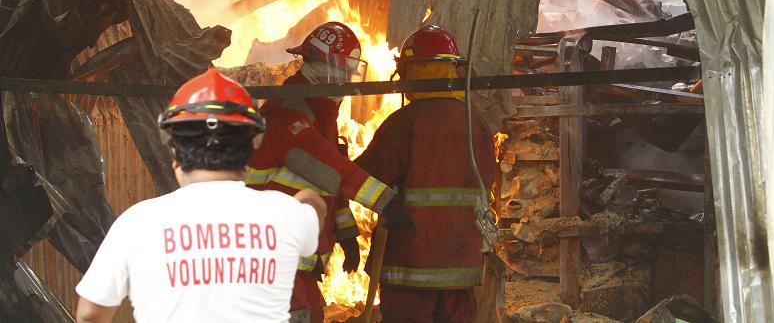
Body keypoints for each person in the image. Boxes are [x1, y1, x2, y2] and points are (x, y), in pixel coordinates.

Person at [75, 68, 326, 323]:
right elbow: (315, 208)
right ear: (249, 148)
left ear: (175, 150)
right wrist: (302, 203)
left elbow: (90, 314)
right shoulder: (283, 214)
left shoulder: (137, 222)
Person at [245, 21, 414, 323]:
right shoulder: (288, 113)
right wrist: (384, 200)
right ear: (319, 65)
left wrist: (347, 232)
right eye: (342, 68)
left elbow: (324, 187)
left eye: (351, 69)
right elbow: (331, 168)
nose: (347, 78)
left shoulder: (319, 114)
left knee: (310, 315)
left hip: (294, 261)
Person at [354, 25, 496, 323]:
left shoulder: (403, 124)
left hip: (411, 265)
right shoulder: (477, 124)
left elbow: (363, 178)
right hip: (462, 263)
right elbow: (489, 181)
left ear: (411, 71)